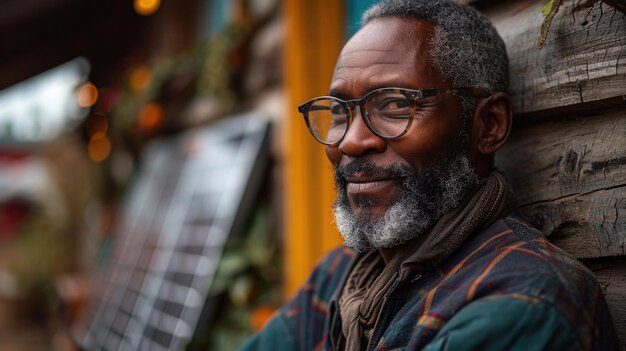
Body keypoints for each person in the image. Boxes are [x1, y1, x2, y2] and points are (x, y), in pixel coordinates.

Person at [241, 0, 619, 350]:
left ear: (488, 124)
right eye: (340, 111)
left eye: (394, 104)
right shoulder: (338, 277)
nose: (351, 142)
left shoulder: (524, 303)